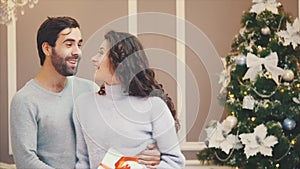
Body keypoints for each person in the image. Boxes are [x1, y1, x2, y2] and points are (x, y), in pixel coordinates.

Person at [10, 16, 161, 169]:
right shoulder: (24, 100)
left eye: (79, 44)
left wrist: (150, 151)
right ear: (47, 49)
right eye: (69, 44)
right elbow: (26, 161)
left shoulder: (90, 90)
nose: (77, 52)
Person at [73, 30, 185, 169]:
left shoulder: (154, 106)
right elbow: (83, 162)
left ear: (119, 61)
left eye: (101, 53)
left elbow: (175, 162)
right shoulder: (83, 105)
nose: (93, 58)